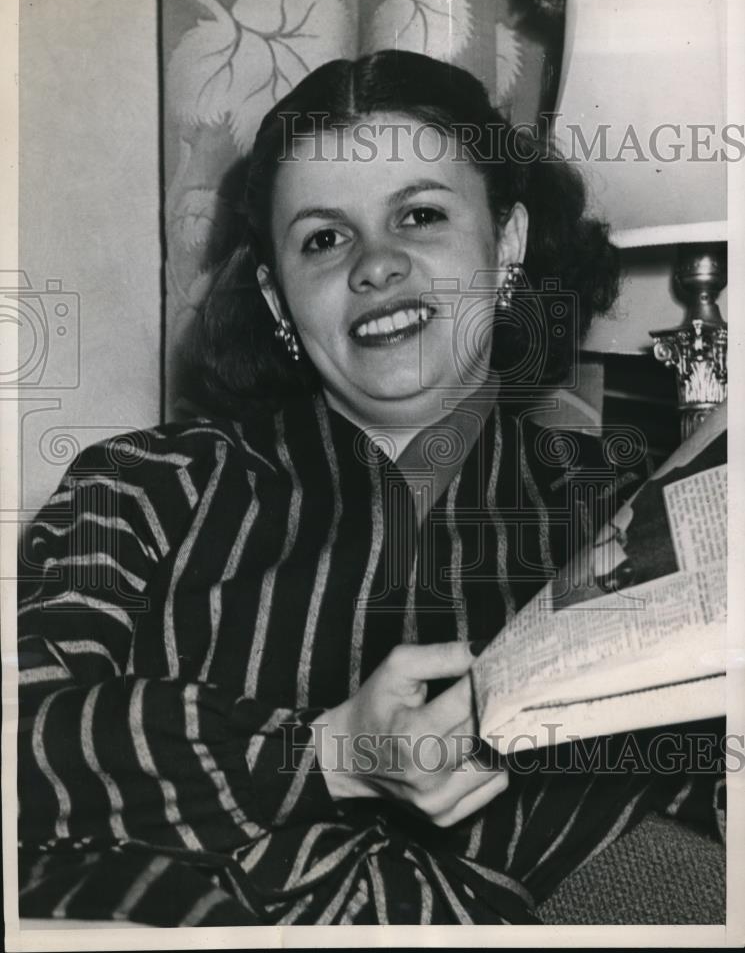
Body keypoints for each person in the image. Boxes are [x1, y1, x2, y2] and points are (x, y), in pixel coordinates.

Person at [17, 50, 724, 926]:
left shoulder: (624, 517)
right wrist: (325, 753)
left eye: (420, 215)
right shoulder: (143, 489)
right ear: (278, 300)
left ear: (506, 243)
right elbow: (24, 742)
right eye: (323, 237)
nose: (374, 265)